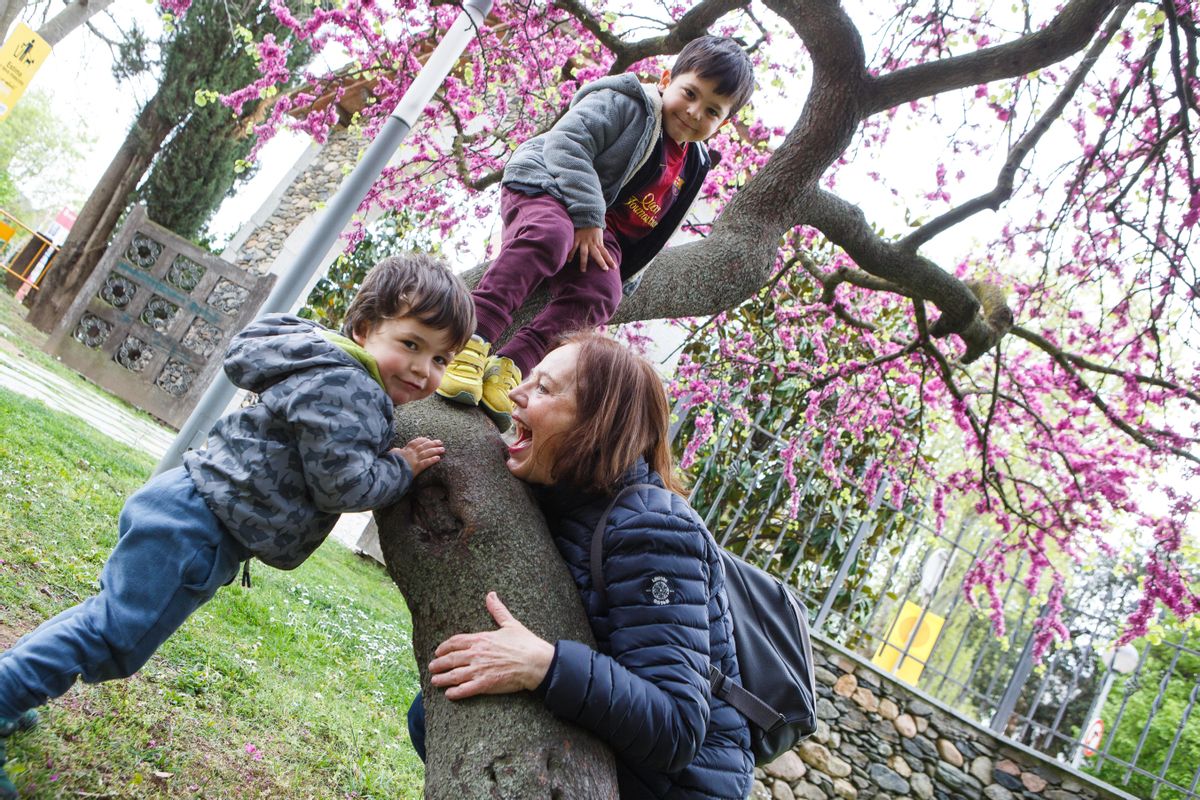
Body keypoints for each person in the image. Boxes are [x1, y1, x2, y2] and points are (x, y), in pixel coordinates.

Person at [0, 254, 475, 800]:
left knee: (106, 629)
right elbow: (343, 486)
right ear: (365, 329)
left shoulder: (327, 366)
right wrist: (403, 465)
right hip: (197, 529)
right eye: (411, 344)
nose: (422, 370)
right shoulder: (351, 389)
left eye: (442, 359)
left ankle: (13, 689)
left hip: (190, 511)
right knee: (109, 635)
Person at [412, 331, 754, 799]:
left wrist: (543, 665)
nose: (516, 392)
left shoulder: (654, 530)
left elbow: (677, 726)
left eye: (545, 389)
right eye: (529, 380)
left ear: (598, 426)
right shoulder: (562, 498)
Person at [436, 36, 755, 432]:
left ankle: (511, 365)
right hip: (548, 184)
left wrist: (624, 275)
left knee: (602, 293)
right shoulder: (630, 104)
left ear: (723, 122)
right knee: (551, 236)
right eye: (689, 93)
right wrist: (588, 218)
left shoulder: (693, 166)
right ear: (666, 78)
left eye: (712, 110)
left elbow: (653, 233)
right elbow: (566, 143)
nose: (693, 112)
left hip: (602, 232)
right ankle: (470, 338)